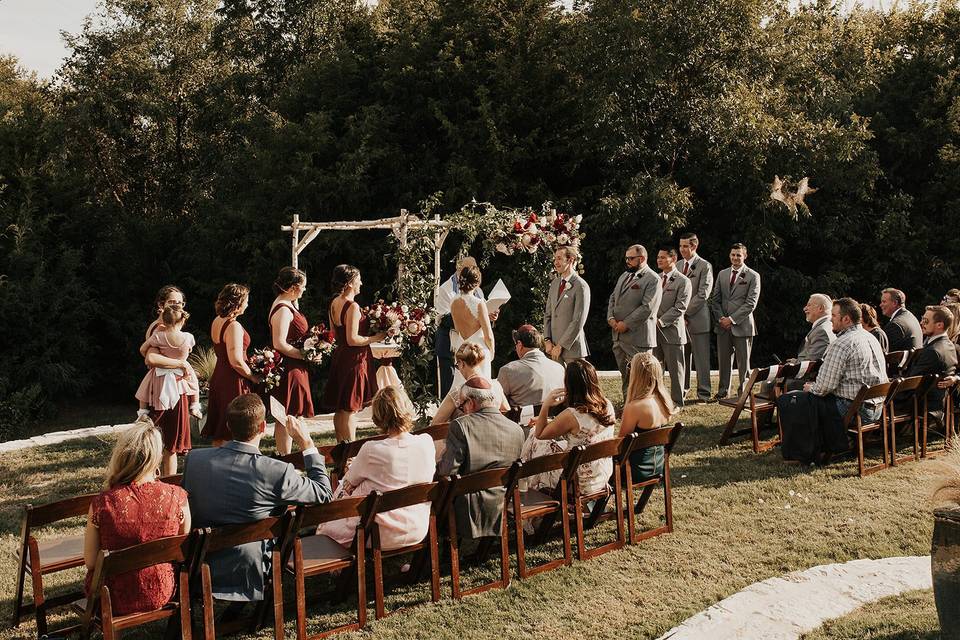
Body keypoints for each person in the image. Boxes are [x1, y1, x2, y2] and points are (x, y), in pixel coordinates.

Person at [182, 394, 332, 604]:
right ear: (263, 428)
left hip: (199, 564)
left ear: (228, 425)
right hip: (248, 570)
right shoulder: (276, 471)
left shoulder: (194, 461)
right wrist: (306, 443)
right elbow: (323, 492)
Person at [83, 417, 191, 615]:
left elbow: (90, 561)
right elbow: (182, 547)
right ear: (157, 457)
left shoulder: (102, 503)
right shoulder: (178, 498)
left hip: (111, 598)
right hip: (161, 590)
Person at [317, 386, 436, 550]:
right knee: (366, 486)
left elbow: (349, 482)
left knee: (351, 494)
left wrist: (353, 478)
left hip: (379, 534)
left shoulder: (372, 449)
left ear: (379, 416)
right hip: (418, 527)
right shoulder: (426, 442)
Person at [782, 298, 889, 463]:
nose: (830, 318)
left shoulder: (841, 344)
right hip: (876, 408)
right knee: (806, 397)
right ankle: (819, 445)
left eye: (833, 315)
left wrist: (810, 388)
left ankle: (802, 453)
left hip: (854, 410)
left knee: (792, 399)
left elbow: (824, 387)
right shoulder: (870, 337)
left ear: (846, 319)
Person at [438, 377, 525, 539]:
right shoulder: (516, 430)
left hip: (467, 509)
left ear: (471, 402)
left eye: (462, 406)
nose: (462, 409)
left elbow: (447, 473)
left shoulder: (460, 426)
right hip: (501, 503)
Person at [521, 359, 616, 495]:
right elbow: (584, 426)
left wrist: (546, 406)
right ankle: (525, 482)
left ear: (569, 384)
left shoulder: (571, 415)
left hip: (576, 481)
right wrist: (549, 421)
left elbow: (540, 434)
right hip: (601, 475)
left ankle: (524, 483)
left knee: (534, 436)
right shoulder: (607, 405)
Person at [134, 304, 200, 475]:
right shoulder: (188, 337)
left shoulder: (159, 336)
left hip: (160, 382)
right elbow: (190, 349)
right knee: (193, 382)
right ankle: (195, 405)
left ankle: (142, 410)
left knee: (155, 427)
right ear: (183, 320)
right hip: (180, 385)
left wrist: (163, 358)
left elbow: (143, 350)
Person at [323, 264, 385, 442]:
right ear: (350, 283)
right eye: (358, 280)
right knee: (351, 407)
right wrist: (376, 337)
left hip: (340, 356)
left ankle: (340, 447)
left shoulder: (334, 303)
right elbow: (353, 339)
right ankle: (350, 450)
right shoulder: (352, 306)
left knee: (340, 408)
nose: (361, 283)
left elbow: (333, 333)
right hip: (354, 359)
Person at [203, 284, 259, 447]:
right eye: (246, 301)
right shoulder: (233, 325)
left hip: (219, 376)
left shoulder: (217, 321)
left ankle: (216, 466)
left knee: (221, 428)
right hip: (232, 380)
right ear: (238, 303)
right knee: (234, 427)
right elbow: (235, 360)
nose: (247, 305)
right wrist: (252, 376)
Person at [268, 266, 315, 454]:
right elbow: (279, 343)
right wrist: (304, 354)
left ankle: (299, 452)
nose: (304, 290)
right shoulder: (283, 309)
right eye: (302, 286)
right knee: (285, 415)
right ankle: (286, 457)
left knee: (292, 413)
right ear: (293, 287)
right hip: (289, 367)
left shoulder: (288, 304)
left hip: (295, 365)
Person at [607, 244, 662, 399]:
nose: (627, 261)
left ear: (642, 258)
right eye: (626, 258)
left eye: (631, 258)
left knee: (643, 378)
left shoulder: (652, 279)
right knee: (626, 376)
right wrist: (611, 318)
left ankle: (644, 409)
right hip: (619, 336)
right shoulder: (624, 276)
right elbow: (613, 298)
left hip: (639, 338)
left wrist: (626, 324)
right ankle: (628, 405)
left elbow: (647, 307)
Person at [709, 243, 761, 399]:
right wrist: (721, 319)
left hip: (742, 325)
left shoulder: (753, 276)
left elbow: (751, 303)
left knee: (743, 363)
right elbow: (715, 299)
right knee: (723, 361)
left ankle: (743, 392)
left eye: (739, 255)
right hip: (722, 325)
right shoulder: (723, 274)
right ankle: (723, 391)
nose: (735, 258)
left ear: (745, 256)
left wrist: (732, 319)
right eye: (733, 254)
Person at [434, 257, 489, 398]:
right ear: (459, 269)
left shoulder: (479, 292)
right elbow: (442, 318)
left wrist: (490, 316)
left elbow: (481, 316)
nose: (473, 271)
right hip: (450, 342)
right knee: (450, 387)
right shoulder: (445, 290)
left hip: (474, 346)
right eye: (469, 269)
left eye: (475, 268)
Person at [618, 352, 673, 481]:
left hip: (634, 470)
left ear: (636, 375)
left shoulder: (635, 407)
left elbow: (620, 444)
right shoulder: (665, 401)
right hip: (658, 466)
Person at [901, 305, 958, 422]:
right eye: (922, 319)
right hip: (936, 401)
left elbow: (910, 382)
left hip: (922, 405)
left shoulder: (933, 351)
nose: (921, 323)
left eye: (926, 321)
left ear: (939, 325)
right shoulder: (949, 345)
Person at [677, 233, 715, 403]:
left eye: (685, 246)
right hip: (679, 320)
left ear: (694, 246)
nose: (682, 249)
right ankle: (683, 390)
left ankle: (704, 394)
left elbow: (703, 294)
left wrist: (684, 312)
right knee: (682, 356)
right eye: (680, 246)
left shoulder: (705, 266)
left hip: (698, 319)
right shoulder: (677, 265)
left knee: (701, 359)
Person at [432, 342, 509, 425]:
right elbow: (506, 410)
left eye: (457, 366)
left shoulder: (458, 392)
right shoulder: (496, 385)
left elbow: (436, 423)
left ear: (461, 363)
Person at [653, 247, 692, 407]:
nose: (659, 260)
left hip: (673, 331)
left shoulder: (683, 281)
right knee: (655, 369)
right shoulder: (655, 279)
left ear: (673, 259)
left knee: (676, 370)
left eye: (663, 257)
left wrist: (661, 321)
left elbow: (680, 307)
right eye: (658, 257)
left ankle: (677, 401)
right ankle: (657, 400)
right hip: (653, 332)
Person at [496, 324, 566, 410]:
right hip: (556, 421)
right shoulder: (560, 368)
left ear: (519, 344)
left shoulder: (508, 370)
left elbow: (498, 404)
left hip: (522, 422)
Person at [544, 246, 590, 364]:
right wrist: (547, 340)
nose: (555, 262)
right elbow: (548, 314)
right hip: (552, 349)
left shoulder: (581, 286)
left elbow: (578, 320)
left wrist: (561, 346)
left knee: (576, 382)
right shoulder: (554, 283)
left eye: (559, 258)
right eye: (555, 259)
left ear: (571, 260)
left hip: (573, 349)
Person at [450, 264, 495, 384]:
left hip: (462, 348)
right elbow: (488, 336)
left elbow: (457, 328)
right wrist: (492, 353)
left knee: (461, 388)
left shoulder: (453, 302)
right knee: (480, 387)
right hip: (478, 351)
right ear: (477, 283)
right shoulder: (479, 303)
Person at [879, 287, 923, 352]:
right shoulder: (911, 317)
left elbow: (882, 353)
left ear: (895, 303)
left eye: (884, 302)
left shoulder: (895, 325)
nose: (880, 305)